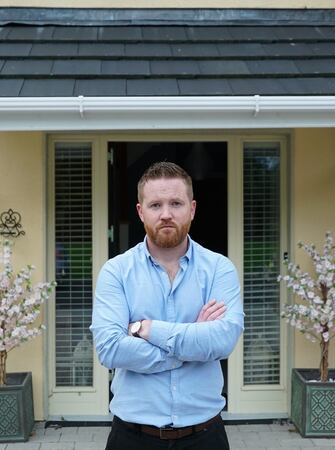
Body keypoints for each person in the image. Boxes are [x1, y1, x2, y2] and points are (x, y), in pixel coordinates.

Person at [90, 161, 244, 450]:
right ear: (140, 211)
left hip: (206, 436)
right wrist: (192, 341)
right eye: (155, 205)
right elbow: (110, 348)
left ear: (193, 208)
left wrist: (148, 329)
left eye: (176, 203)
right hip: (132, 438)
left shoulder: (219, 269)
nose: (166, 214)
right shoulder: (116, 271)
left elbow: (222, 341)